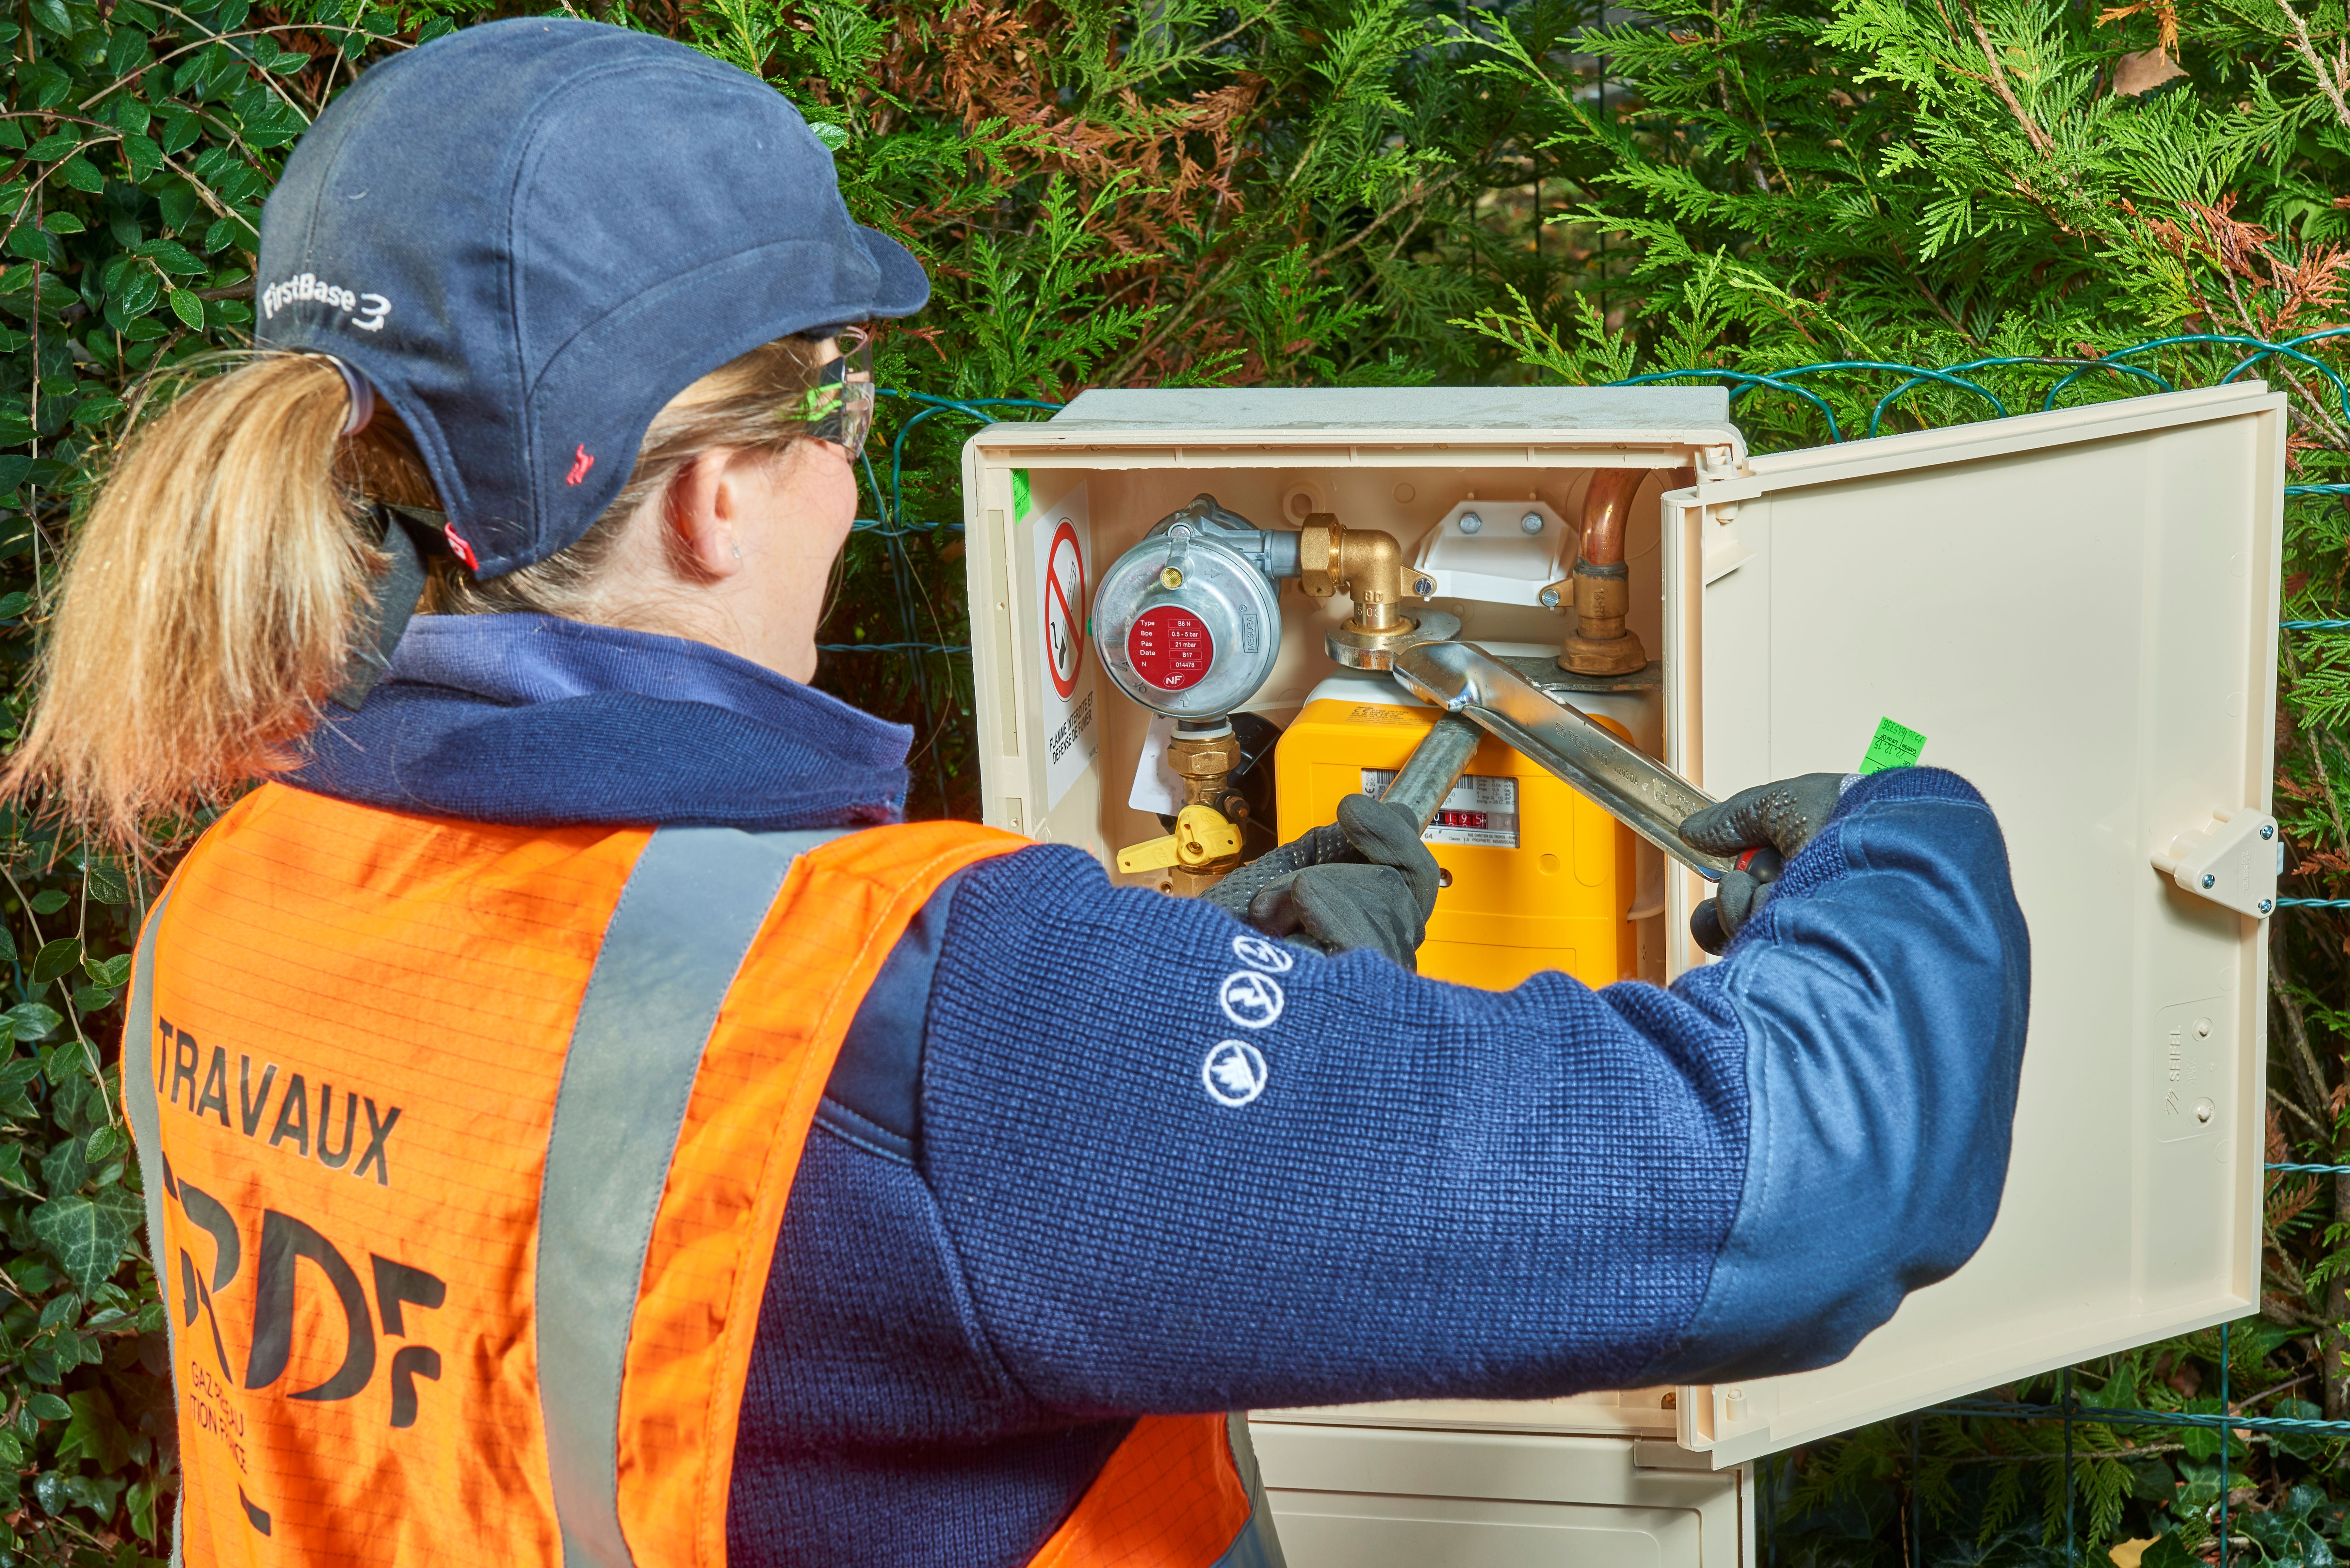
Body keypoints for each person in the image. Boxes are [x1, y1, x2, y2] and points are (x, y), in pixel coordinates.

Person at [2, 19, 2032, 1568]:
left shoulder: (244, 886)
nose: (852, 474)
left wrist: (1180, 1000)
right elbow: (1814, 1178)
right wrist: (1906, 845)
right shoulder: (946, 1023)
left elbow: (653, 1211)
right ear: (712, 491)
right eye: (836, 410)